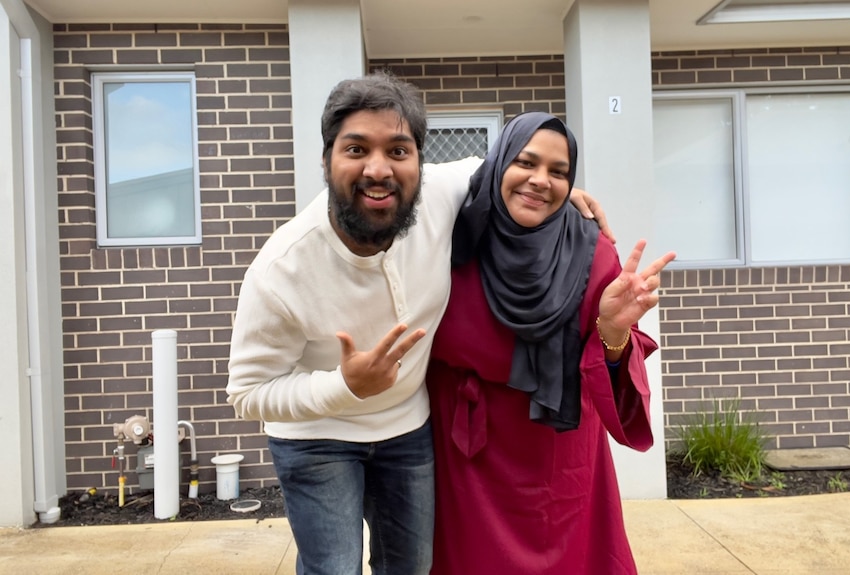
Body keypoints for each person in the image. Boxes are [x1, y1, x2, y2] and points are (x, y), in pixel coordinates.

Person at [225, 73, 610, 575]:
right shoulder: (281, 267)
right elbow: (247, 392)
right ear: (326, 161)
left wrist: (560, 189)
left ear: (420, 164)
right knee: (334, 569)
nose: (379, 169)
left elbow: (503, 172)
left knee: (411, 568)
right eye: (357, 149)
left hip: (406, 426)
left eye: (399, 151)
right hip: (316, 434)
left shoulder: (441, 194)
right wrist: (342, 387)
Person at [426, 111, 676, 575]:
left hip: (560, 457)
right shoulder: (450, 241)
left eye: (559, 172)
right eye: (525, 162)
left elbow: (616, 359)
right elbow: (398, 177)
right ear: (497, 164)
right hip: (467, 461)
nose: (541, 181)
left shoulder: (592, 249)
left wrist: (614, 331)